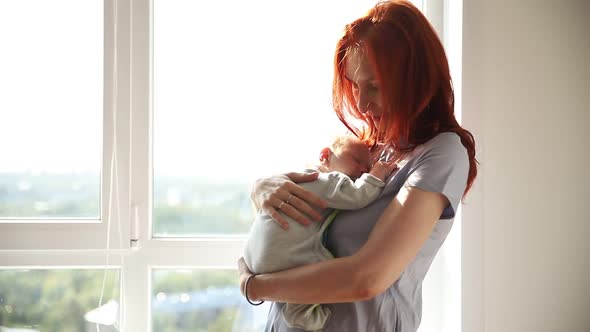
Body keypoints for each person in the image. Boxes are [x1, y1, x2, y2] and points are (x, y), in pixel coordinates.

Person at [237, 1, 478, 331]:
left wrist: (254, 285)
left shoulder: (441, 154)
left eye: (375, 86)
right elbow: (306, 203)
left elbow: (367, 277)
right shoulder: (363, 151)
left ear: (415, 79)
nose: (362, 104)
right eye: (355, 85)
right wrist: (264, 186)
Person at [243, 135, 397, 331]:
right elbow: (359, 196)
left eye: (367, 167)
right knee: (323, 263)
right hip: (283, 257)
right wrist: (376, 174)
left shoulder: (294, 179)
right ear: (325, 155)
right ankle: (299, 311)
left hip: (254, 258)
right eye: (357, 160)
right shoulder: (325, 180)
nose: (363, 169)